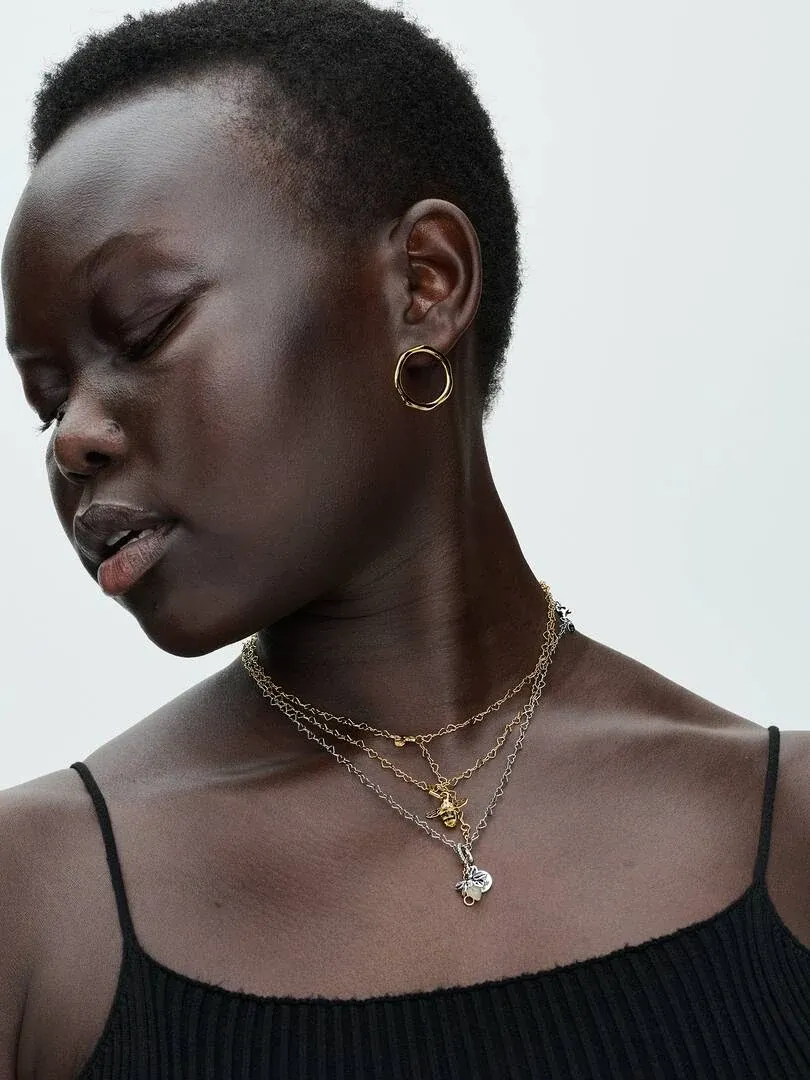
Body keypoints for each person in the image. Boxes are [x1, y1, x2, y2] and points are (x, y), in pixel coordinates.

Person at [1, 0, 808, 1076]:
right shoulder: (35, 907)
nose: (75, 440)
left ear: (425, 285)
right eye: (46, 399)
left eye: (144, 329)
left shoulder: (787, 831)